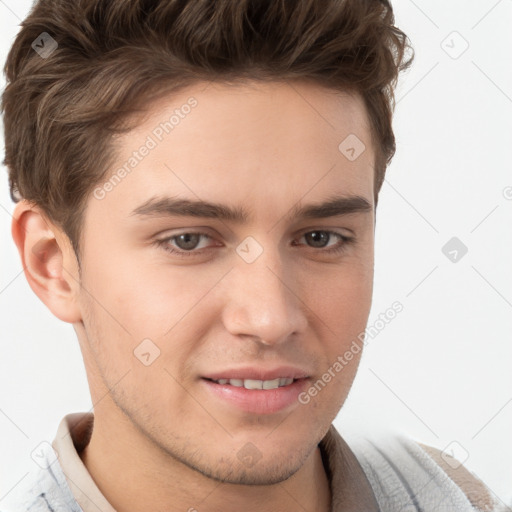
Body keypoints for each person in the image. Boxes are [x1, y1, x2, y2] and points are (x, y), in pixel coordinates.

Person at [0, 0, 503, 511]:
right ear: (52, 265)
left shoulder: (457, 497)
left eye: (320, 238)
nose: (270, 319)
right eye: (189, 240)